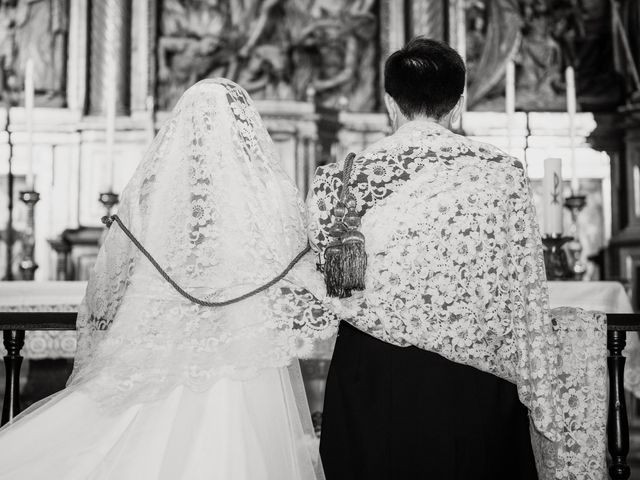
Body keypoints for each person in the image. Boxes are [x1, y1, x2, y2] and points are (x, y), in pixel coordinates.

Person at [0, 79, 336, 480]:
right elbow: (297, 266)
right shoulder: (269, 194)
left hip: (158, 338)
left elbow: (115, 277)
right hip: (239, 349)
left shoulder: (153, 193)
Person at [308, 37, 607, 480]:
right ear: (459, 103)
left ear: (390, 103)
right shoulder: (503, 174)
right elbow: (525, 289)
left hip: (372, 377)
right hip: (476, 385)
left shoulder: (338, 180)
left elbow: (328, 279)